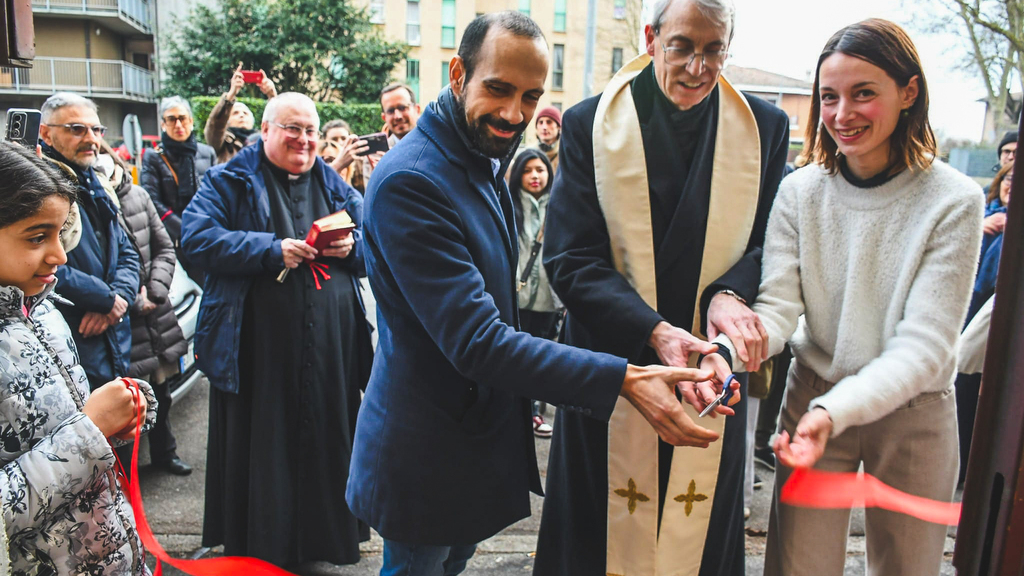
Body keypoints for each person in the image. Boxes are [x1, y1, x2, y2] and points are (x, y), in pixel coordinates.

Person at [346, 12, 732, 576]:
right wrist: (626, 379)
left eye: (530, 96)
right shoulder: (415, 181)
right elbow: (478, 341)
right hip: (423, 454)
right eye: (498, 90)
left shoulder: (476, 156)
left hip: (468, 443)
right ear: (458, 73)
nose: (514, 114)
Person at [705, 19, 983, 576]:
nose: (841, 114)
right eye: (828, 97)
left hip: (915, 410)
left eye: (863, 94)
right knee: (796, 565)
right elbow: (778, 309)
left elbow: (925, 346)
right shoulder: (800, 190)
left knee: (908, 566)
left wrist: (837, 410)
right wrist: (724, 355)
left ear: (909, 93)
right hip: (813, 394)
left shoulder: (956, 200)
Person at [533, 0, 791, 573]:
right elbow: (571, 257)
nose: (698, 66)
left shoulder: (765, 130)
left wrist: (731, 294)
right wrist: (654, 332)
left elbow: (773, 245)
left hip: (711, 363)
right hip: (614, 355)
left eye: (714, 49)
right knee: (596, 534)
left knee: (695, 535)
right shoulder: (588, 123)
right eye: (682, 46)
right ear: (652, 38)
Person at [183, 92, 373, 568]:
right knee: (262, 447)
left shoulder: (331, 182)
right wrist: (270, 250)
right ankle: (261, 546)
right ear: (265, 130)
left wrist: (349, 250)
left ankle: (322, 542)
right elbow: (196, 237)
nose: (304, 139)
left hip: (329, 353)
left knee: (326, 441)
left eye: (311, 130)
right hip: (257, 351)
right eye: (293, 128)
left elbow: (379, 245)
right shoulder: (228, 179)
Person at [0, 140, 156, 575]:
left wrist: (116, 422)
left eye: (61, 232)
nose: (61, 256)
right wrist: (90, 432)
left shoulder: (43, 308)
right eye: (37, 237)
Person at [96, 146, 193, 476]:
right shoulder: (90, 201)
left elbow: (165, 247)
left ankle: (166, 455)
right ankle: (127, 474)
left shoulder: (137, 195)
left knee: (161, 393)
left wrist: (156, 290)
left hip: (155, 313)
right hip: (122, 319)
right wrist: (123, 297)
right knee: (127, 401)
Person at [40, 92, 142, 391]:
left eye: (96, 130)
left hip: (112, 336)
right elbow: (37, 261)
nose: (91, 139)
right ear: (45, 132)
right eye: (76, 129)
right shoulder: (37, 187)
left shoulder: (96, 182)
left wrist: (116, 301)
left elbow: (128, 252)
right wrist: (104, 299)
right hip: (69, 337)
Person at [956, 161, 1012, 484]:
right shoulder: (985, 213)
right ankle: (961, 466)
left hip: (992, 315)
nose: (1010, 185)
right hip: (969, 308)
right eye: (1007, 178)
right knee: (962, 385)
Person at [509, 148, 560, 437]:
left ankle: (535, 412)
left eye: (540, 169)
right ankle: (524, 413)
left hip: (548, 299)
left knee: (543, 355)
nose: (535, 176)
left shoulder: (560, 205)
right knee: (519, 355)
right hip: (516, 295)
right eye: (527, 170)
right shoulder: (507, 203)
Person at [141, 97, 217, 286]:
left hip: (206, 235)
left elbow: (216, 194)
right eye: (171, 119)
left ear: (191, 121)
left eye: (182, 118)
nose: (178, 124)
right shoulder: (153, 157)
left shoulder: (207, 153)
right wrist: (183, 229)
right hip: (174, 239)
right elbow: (151, 200)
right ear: (163, 124)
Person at [205, 63, 278, 165]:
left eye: (245, 113)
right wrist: (231, 94)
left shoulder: (263, 139)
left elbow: (278, 125)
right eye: (235, 113)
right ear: (227, 121)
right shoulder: (222, 142)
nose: (241, 115)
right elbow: (216, 125)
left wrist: (272, 95)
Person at [533, 106, 561, 174]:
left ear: (558, 127)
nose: (544, 127)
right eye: (541, 122)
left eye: (549, 122)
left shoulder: (565, 153)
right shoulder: (529, 152)